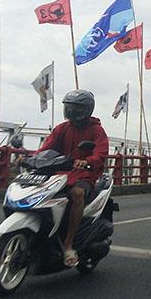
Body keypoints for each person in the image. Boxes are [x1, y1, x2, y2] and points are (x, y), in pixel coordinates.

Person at [35, 90, 109, 267]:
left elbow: (101, 153)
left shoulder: (96, 130)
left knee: (77, 194)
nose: (71, 110)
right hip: (60, 174)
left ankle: (68, 244)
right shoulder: (62, 128)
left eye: (75, 107)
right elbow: (46, 148)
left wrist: (87, 161)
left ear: (86, 109)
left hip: (85, 175)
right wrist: (32, 158)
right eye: (69, 107)